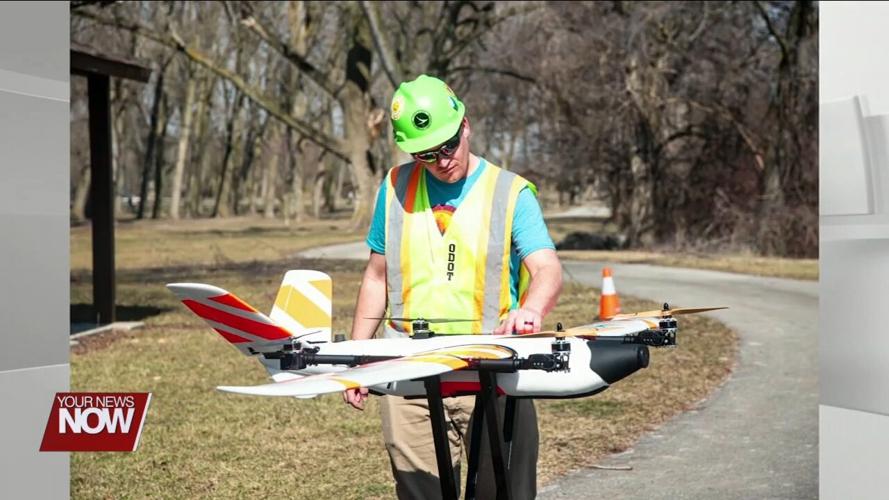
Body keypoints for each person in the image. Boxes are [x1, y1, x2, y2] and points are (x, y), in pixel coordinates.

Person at [343, 74, 563, 499]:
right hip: (410, 372)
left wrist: (530, 310)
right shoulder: (393, 189)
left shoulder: (511, 193)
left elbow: (547, 269)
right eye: (427, 153)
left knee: (504, 491)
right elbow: (375, 277)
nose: (443, 159)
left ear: (466, 126)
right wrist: (358, 357)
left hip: (494, 371)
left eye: (448, 145)